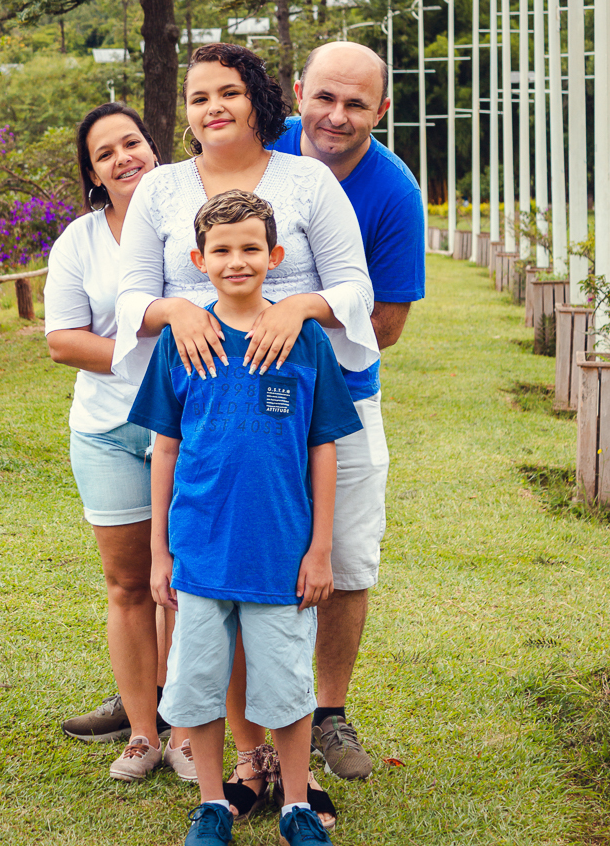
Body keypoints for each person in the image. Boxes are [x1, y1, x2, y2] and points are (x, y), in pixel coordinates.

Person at [110, 42, 379, 811]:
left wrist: (300, 306)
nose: (213, 108)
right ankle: (249, 758)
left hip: (301, 410)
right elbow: (133, 296)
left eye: (228, 92)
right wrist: (173, 309)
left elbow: (354, 282)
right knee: (219, 576)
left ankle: (298, 753)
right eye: (198, 97)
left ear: (258, 98)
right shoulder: (161, 190)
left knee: (300, 574)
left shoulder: (308, 180)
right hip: (209, 417)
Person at [127, 190, 362, 846]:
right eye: (222, 250)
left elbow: (322, 446)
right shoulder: (181, 342)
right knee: (198, 681)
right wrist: (159, 553)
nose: (237, 260)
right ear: (199, 259)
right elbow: (165, 450)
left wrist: (318, 550)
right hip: (200, 550)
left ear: (274, 255)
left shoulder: (303, 343)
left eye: (250, 248)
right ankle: (211, 804)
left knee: (285, 685)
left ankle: (293, 804)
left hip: (280, 554)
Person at [271, 41, 426, 778]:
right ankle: (178, 699)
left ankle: (327, 712)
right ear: (298, 90)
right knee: (221, 547)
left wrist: (290, 318)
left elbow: (387, 326)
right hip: (239, 400)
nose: (335, 116)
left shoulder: (391, 189)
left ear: (380, 110)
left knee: (347, 561)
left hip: (343, 399)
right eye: (324, 96)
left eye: (355, 103)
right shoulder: (253, 153)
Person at [44, 102, 196, 784]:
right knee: (129, 585)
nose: (122, 157)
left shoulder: (194, 222)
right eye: (104, 154)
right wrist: (147, 358)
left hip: (192, 429)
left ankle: (190, 732)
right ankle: (141, 732)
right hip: (108, 431)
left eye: (130, 142)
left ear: (153, 150)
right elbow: (62, 339)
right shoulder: (79, 241)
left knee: (188, 585)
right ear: (94, 175)